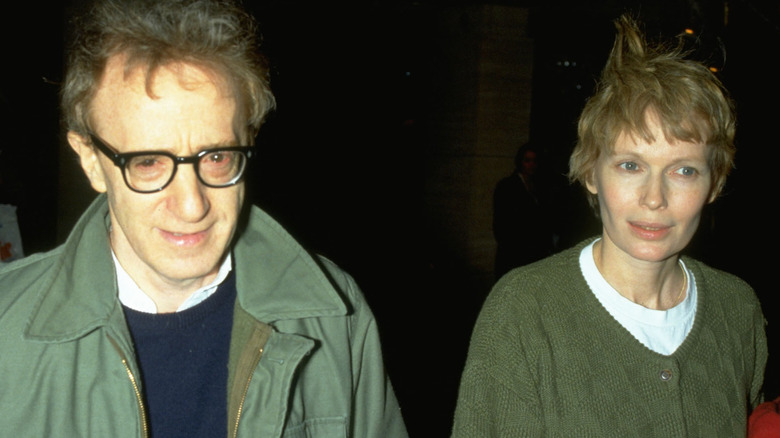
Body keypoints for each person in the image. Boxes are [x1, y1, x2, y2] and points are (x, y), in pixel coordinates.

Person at [0, 0, 408, 437]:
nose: (193, 205)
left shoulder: (335, 316)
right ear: (91, 161)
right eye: (148, 163)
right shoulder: (7, 328)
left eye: (216, 157)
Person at [452, 15, 766, 437]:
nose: (654, 198)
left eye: (684, 171)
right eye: (631, 165)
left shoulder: (738, 310)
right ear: (590, 173)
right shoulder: (524, 313)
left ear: (716, 183)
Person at [492, 142, 555, 279]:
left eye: (534, 161)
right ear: (520, 162)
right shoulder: (507, 186)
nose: (531, 165)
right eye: (527, 161)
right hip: (514, 253)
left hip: (534, 254)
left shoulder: (540, 187)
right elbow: (501, 222)